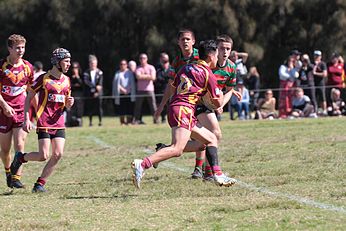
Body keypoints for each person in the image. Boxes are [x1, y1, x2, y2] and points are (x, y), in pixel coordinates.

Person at [132, 40, 236, 188]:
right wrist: (220, 95)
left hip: (177, 107)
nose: (218, 59)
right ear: (211, 57)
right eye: (217, 55)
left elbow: (174, 86)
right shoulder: (209, 74)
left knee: (209, 140)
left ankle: (218, 175)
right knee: (177, 149)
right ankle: (142, 164)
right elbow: (217, 103)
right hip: (184, 110)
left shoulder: (186, 67)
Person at [10, 48, 74, 193]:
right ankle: (21, 158)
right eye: (66, 61)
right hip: (44, 121)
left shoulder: (67, 81)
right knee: (43, 156)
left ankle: (39, 184)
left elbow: (65, 104)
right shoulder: (43, 79)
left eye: (69, 61)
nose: (69, 64)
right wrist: (26, 117)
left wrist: (69, 104)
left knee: (58, 154)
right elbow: (29, 97)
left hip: (59, 122)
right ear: (57, 62)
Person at [191, 35, 241, 180]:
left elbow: (229, 90)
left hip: (211, 104)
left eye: (228, 49)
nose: (225, 52)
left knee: (200, 142)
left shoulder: (231, 67)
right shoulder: (206, 65)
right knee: (216, 134)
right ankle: (210, 172)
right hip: (198, 104)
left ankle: (164, 149)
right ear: (215, 50)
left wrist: (221, 104)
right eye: (221, 48)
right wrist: (214, 102)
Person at [0, 34, 34, 188]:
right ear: (9, 49)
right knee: (5, 149)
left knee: (20, 145)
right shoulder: (2, 66)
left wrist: (36, 114)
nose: (21, 50)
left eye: (23, 47)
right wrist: (5, 105)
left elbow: (31, 91)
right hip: (3, 112)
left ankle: (16, 177)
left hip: (21, 110)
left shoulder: (28, 67)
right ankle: (8, 172)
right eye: (17, 48)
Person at [133, 53, 158, 124]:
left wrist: (142, 76)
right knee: (138, 106)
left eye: (144, 58)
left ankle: (156, 120)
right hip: (140, 90)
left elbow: (153, 77)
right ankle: (136, 120)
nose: (142, 59)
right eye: (141, 58)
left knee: (153, 106)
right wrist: (148, 76)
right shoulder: (138, 68)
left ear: (147, 59)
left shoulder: (151, 67)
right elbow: (138, 77)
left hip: (150, 90)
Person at [112, 59, 136, 125]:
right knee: (121, 108)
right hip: (120, 94)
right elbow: (115, 84)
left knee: (129, 108)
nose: (123, 65)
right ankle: (122, 122)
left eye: (124, 64)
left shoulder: (130, 73)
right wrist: (122, 89)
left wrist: (128, 90)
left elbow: (132, 83)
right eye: (121, 64)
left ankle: (129, 122)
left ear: (126, 65)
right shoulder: (117, 73)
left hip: (129, 93)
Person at [83, 55, 103, 126]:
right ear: (89, 64)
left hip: (98, 93)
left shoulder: (100, 72)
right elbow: (86, 82)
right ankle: (90, 122)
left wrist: (97, 91)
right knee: (90, 108)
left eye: (94, 63)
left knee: (99, 107)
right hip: (90, 93)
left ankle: (100, 122)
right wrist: (95, 87)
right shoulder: (86, 72)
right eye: (92, 63)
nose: (93, 65)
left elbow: (100, 83)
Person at [278, 53, 299, 118]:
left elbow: (296, 75)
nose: (291, 62)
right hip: (285, 86)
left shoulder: (294, 68)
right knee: (284, 99)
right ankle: (283, 113)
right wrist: (290, 76)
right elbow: (282, 74)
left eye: (293, 61)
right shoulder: (283, 67)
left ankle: (291, 113)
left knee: (291, 99)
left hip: (292, 86)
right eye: (290, 61)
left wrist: (292, 68)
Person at [154, 53, 173, 123]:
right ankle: (162, 118)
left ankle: (170, 118)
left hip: (170, 89)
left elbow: (171, 79)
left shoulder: (172, 68)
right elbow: (157, 78)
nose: (165, 60)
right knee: (161, 104)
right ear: (160, 59)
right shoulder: (157, 68)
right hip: (160, 90)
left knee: (170, 105)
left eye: (166, 58)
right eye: (163, 58)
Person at [312, 50, 328, 115]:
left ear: (320, 56)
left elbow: (325, 74)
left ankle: (324, 110)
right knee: (314, 97)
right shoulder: (312, 64)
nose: (316, 57)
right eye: (315, 55)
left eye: (318, 56)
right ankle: (315, 111)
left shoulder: (322, 64)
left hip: (320, 83)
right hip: (313, 83)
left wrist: (315, 73)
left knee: (322, 97)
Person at [68, 62, 84, 127]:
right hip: (72, 94)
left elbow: (82, 85)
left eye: (76, 68)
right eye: (73, 68)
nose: (75, 69)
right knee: (72, 109)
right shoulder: (69, 76)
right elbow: (69, 86)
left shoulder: (81, 75)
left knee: (79, 108)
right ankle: (71, 122)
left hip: (79, 95)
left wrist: (77, 77)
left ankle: (79, 121)